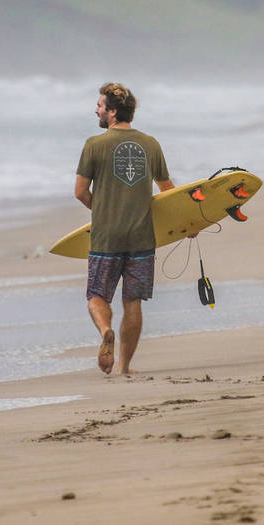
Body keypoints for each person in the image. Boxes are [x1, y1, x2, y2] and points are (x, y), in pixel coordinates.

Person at [74, 82, 175, 375]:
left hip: (107, 236)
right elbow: (167, 190)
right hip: (141, 237)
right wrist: (185, 223)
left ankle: (106, 330)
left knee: (97, 296)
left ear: (113, 112)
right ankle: (126, 367)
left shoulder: (95, 144)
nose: (96, 109)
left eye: (100, 106)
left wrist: (104, 212)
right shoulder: (151, 144)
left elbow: (80, 191)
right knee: (133, 302)